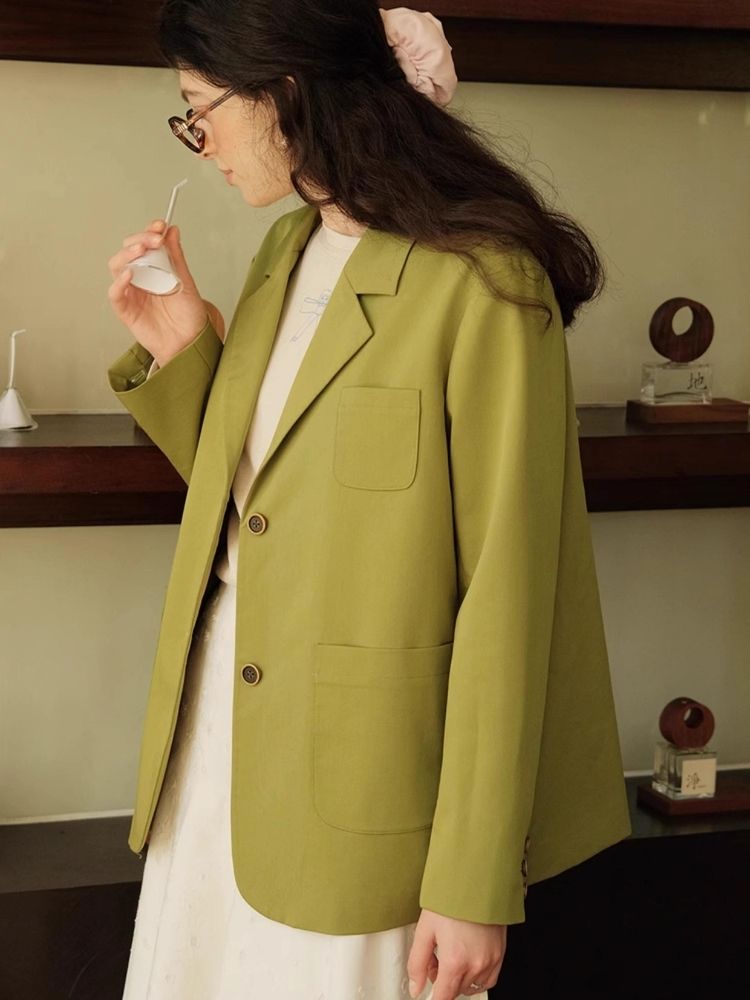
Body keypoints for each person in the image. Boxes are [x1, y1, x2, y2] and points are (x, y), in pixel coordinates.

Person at [105, 2, 632, 998]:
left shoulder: (484, 281)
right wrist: (183, 347)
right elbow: (268, 502)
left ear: (284, 90)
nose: (199, 140)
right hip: (218, 747)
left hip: (371, 786)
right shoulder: (286, 249)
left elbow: (510, 595)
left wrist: (474, 876)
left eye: (200, 108)